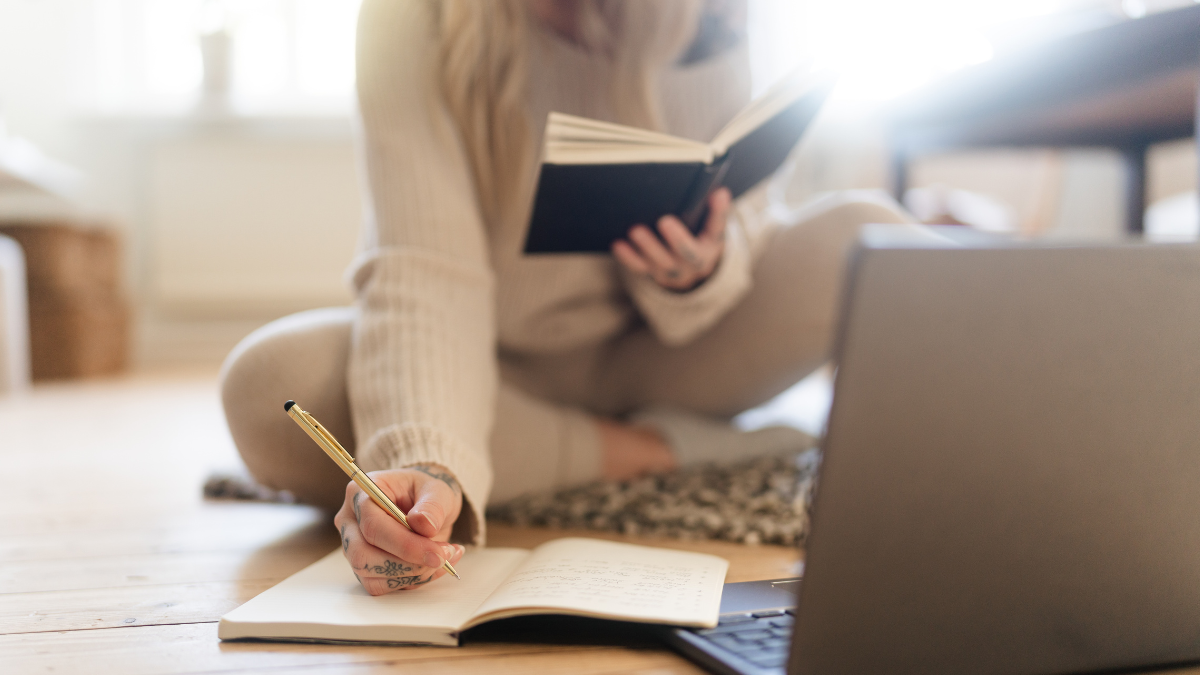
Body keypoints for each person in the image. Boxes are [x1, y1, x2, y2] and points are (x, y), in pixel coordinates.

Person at [220, 0, 910, 596]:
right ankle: (648, 450)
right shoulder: (418, 17)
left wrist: (703, 267)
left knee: (873, 237)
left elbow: (750, 204)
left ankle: (577, 447)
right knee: (271, 385)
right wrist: (429, 462)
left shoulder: (713, 13)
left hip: (666, 352)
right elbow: (424, 267)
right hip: (492, 375)